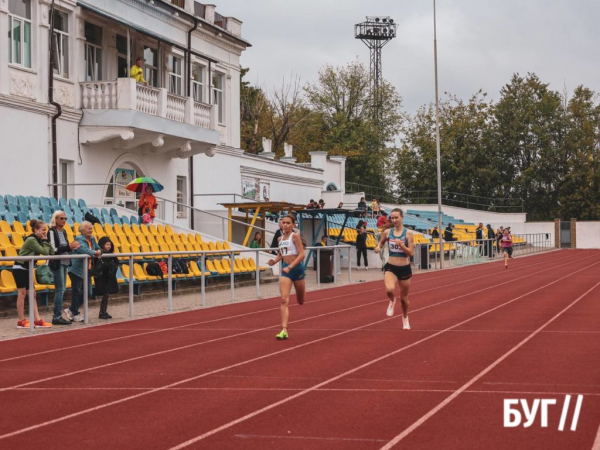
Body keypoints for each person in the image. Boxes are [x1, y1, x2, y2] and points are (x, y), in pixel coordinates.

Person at [374, 208, 414, 330]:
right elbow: (381, 242)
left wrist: (402, 245)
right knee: (390, 290)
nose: (395, 220)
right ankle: (392, 301)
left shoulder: (408, 233)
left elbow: (411, 253)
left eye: (397, 217)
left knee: (404, 299)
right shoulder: (387, 232)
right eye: (392, 218)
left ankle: (405, 317)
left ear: (402, 218)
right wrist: (378, 247)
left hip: (404, 268)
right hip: (391, 266)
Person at [268, 214, 306, 340]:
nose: (285, 225)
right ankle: (284, 329)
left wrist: (291, 267)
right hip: (286, 272)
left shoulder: (295, 236)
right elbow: (281, 253)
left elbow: (301, 255)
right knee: (284, 300)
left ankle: (300, 298)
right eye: (283, 222)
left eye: (288, 223)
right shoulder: (280, 239)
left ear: (293, 225)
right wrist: (275, 261)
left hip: (297, 270)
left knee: (301, 301)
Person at [13, 220, 54, 329]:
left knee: (33, 294)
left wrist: (46, 240)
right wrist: (45, 241)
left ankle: (37, 320)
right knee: (22, 293)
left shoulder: (40, 240)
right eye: (43, 230)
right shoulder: (31, 239)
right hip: (20, 268)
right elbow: (44, 252)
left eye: (46, 230)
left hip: (28, 268)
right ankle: (20, 321)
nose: (45, 232)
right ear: (36, 230)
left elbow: (51, 252)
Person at [48, 211, 80, 325]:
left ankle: (58, 315)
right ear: (55, 219)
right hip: (57, 263)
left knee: (62, 290)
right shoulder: (52, 231)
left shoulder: (64, 231)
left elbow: (65, 247)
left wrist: (72, 248)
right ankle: (56, 316)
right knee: (60, 290)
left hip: (65, 262)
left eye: (65, 218)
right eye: (62, 218)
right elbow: (53, 250)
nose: (64, 220)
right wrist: (68, 246)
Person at [65, 221, 101, 322]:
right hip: (77, 269)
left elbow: (98, 248)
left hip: (88, 269)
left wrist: (99, 251)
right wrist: (95, 253)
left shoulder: (92, 238)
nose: (91, 230)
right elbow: (83, 250)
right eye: (88, 228)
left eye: (91, 228)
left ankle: (71, 309)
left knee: (88, 292)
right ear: (82, 230)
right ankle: (75, 313)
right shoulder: (79, 239)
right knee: (77, 291)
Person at [93, 237, 119, 320]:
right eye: (107, 244)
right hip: (102, 277)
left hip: (109, 276)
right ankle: (102, 312)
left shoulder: (112, 254)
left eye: (110, 244)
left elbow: (117, 262)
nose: (109, 246)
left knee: (107, 295)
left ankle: (104, 311)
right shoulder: (100, 254)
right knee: (105, 294)